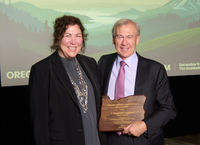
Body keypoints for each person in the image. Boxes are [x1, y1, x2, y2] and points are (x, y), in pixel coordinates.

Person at [98, 18, 176, 145]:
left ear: (137, 39)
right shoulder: (103, 63)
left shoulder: (155, 69)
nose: (124, 42)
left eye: (129, 37)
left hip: (143, 140)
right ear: (113, 39)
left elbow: (168, 108)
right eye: (119, 37)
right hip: (108, 138)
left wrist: (145, 125)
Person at [29, 15, 104, 145]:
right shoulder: (42, 70)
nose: (73, 41)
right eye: (67, 35)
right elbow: (39, 123)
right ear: (58, 38)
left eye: (78, 36)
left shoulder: (90, 63)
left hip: (96, 140)